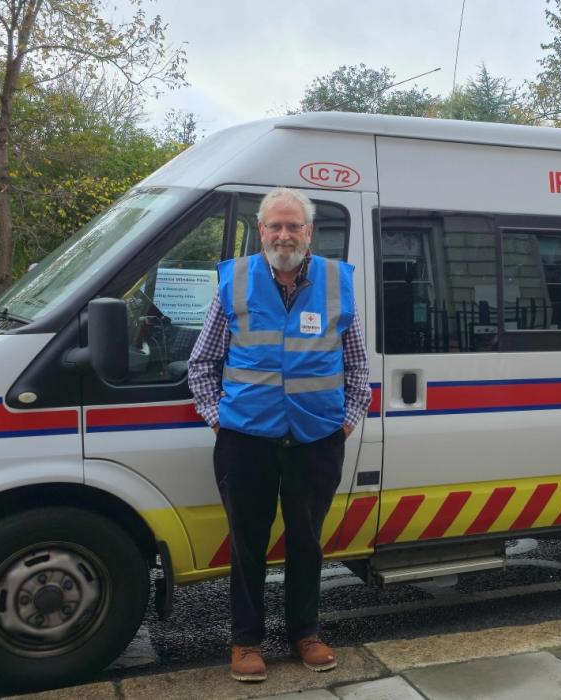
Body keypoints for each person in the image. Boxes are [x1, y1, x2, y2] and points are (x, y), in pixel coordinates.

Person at [187, 187, 369, 683]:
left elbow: (357, 365)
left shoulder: (335, 282)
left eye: (293, 226)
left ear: (309, 232)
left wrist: (347, 421)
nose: (284, 235)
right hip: (246, 440)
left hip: (317, 439)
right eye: (275, 226)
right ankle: (246, 641)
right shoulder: (235, 281)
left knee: (307, 541)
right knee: (247, 544)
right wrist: (218, 418)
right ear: (261, 230)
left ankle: (305, 634)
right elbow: (202, 362)